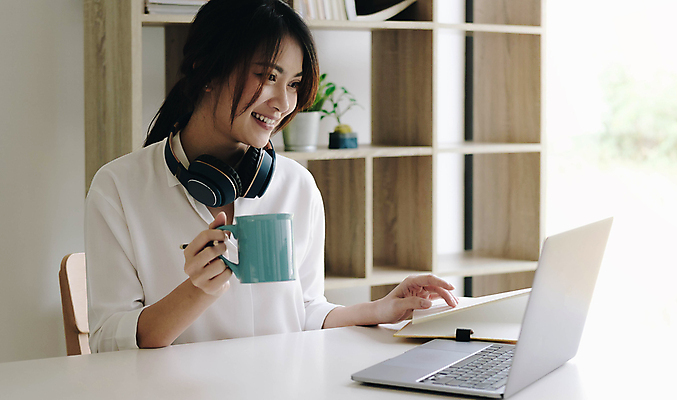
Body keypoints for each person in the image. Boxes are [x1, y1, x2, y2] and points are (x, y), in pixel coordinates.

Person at [85, 0, 457, 353]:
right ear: (207, 70)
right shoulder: (118, 188)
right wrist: (197, 291)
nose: (284, 102)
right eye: (268, 76)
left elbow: (305, 310)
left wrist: (379, 309)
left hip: (282, 383)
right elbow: (108, 342)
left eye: (293, 83)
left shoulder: (296, 186)